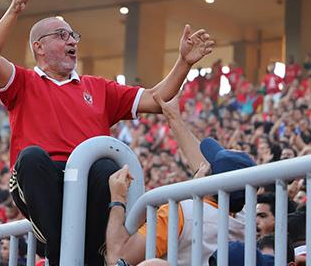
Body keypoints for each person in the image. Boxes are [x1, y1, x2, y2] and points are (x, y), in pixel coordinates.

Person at [0, 0, 215, 265]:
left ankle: (84, 256)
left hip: (88, 183)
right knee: (31, 157)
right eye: (61, 35)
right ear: (38, 47)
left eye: (73, 35)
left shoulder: (98, 87)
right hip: (43, 181)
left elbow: (157, 99)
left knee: (105, 166)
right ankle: (59, 255)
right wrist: (14, 8)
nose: (72, 40)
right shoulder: (23, 82)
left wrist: (184, 63)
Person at [106, 94, 255, 266]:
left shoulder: (180, 213)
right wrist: (174, 119)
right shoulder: (246, 218)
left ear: (209, 180)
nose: (203, 166)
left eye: (209, 167)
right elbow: (202, 165)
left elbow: (117, 259)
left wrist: (117, 200)